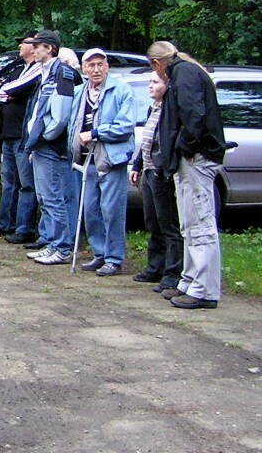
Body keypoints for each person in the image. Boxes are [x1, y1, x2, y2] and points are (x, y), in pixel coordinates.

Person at [148, 41, 226, 309]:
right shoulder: (186, 72)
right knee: (189, 223)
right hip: (188, 158)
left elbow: (194, 113)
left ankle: (204, 290)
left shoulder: (184, 74)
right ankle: (189, 280)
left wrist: (187, 146)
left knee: (200, 224)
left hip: (197, 158)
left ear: (157, 64)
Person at [68, 48, 137, 276]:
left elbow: (124, 127)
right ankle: (99, 254)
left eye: (100, 64)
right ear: (84, 69)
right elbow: (73, 124)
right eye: (91, 65)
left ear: (107, 66)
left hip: (111, 159)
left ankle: (114, 258)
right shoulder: (79, 92)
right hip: (86, 159)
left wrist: (96, 133)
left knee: (112, 210)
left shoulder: (122, 91)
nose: (96, 69)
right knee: (91, 210)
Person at [23, 30, 79, 265]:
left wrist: (43, 138)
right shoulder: (46, 73)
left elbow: (60, 117)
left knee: (54, 196)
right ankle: (52, 243)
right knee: (45, 197)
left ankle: (62, 247)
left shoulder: (62, 74)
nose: (33, 50)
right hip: (39, 145)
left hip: (50, 147)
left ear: (50, 48)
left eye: (37, 46)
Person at [129, 72, 183, 294]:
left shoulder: (170, 111)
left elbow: (166, 141)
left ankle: (173, 273)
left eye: (155, 82)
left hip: (161, 172)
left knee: (168, 223)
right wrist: (137, 164)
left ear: (167, 85)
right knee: (152, 221)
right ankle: (155, 267)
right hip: (149, 170)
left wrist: (162, 167)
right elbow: (148, 141)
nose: (150, 86)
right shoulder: (153, 107)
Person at [0, 32, 40, 243]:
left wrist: (10, 91)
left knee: (25, 183)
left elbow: (12, 88)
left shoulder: (38, 70)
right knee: (8, 181)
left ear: (34, 47)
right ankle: (5, 223)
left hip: (22, 134)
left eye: (23, 43)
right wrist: (9, 92)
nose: (19, 46)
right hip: (8, 133)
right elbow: (0, 92)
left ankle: (24, 227)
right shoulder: (18, 69)